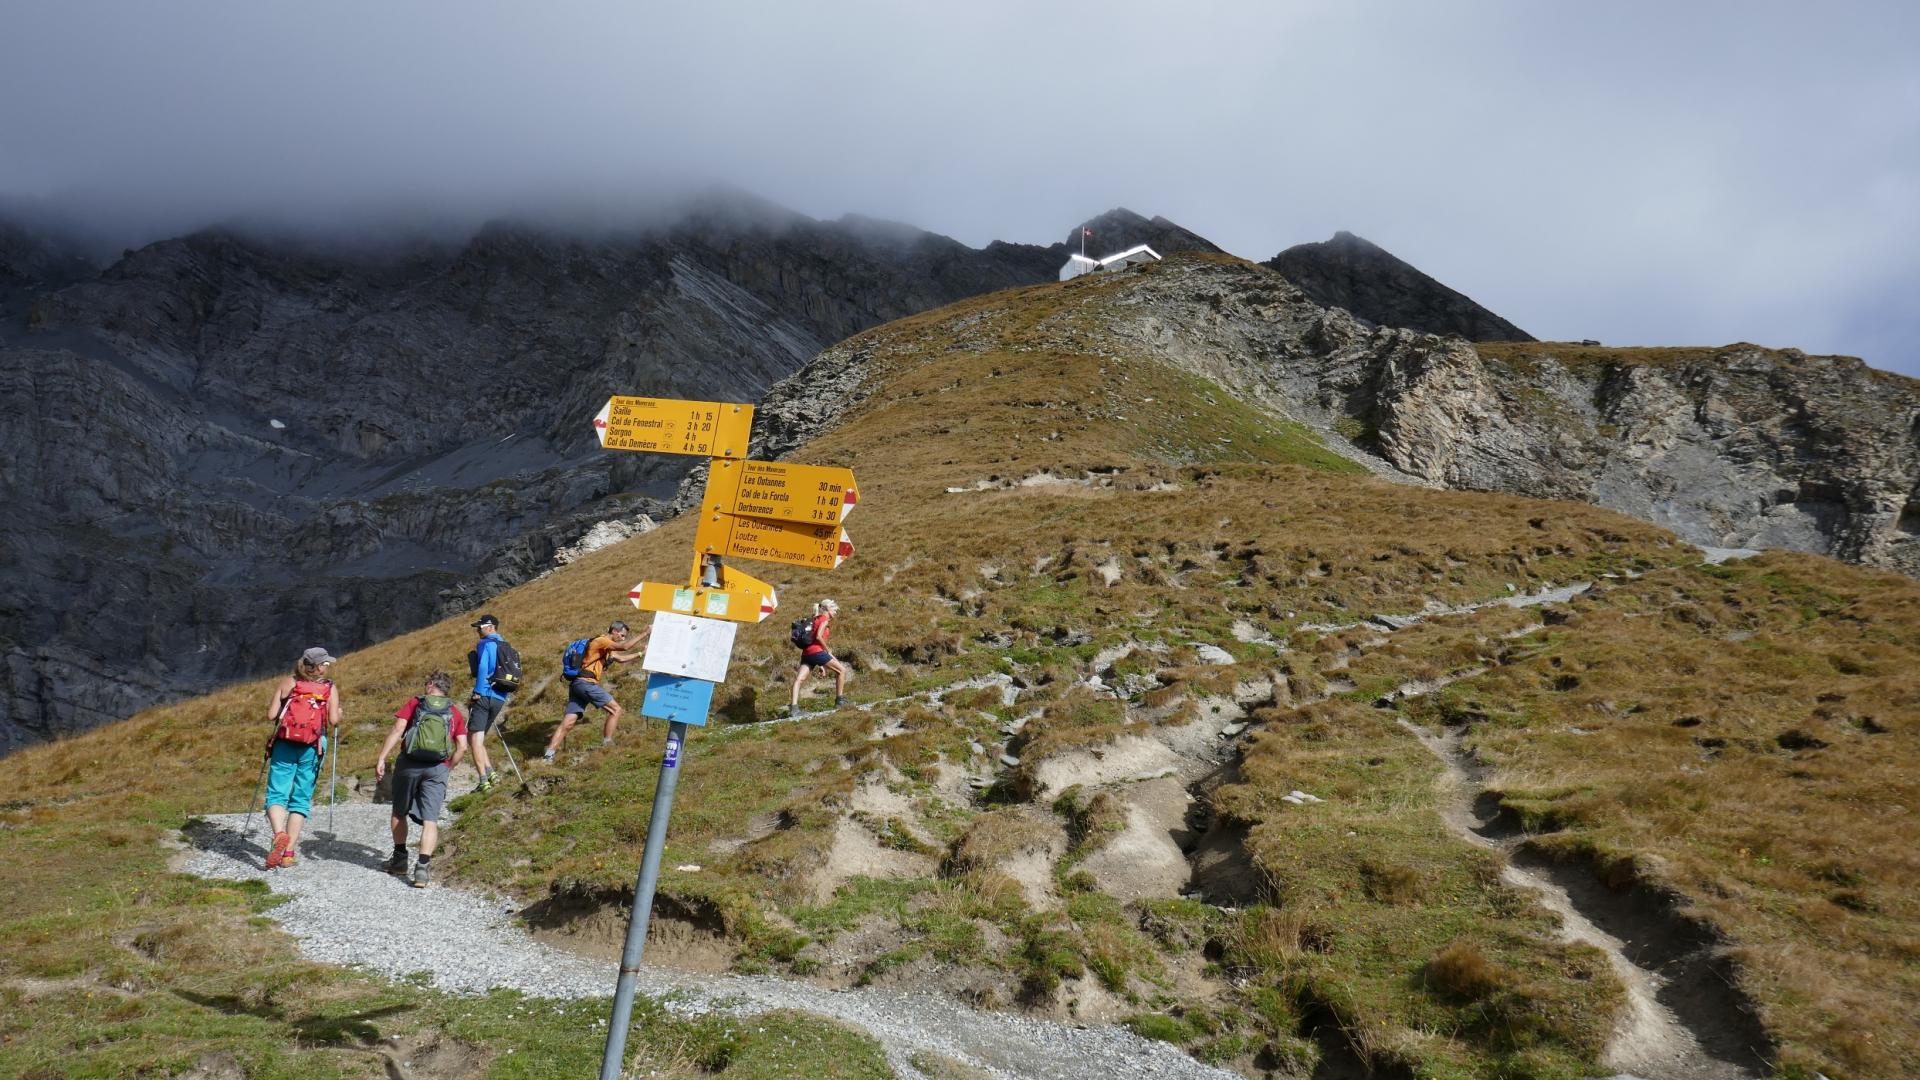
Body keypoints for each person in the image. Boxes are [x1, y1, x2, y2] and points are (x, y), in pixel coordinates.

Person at [374, 671, 468, 888]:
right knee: (430, 820)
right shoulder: (453, 711)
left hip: (409, 764)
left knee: (399, 811)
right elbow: (462, 746)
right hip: (437, 768)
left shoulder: (417, 703)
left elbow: (398, 728)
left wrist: (382, 757)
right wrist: (448, 767)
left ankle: (399, 859)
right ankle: (423, 869)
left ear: (430, 685)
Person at [262, 647, 342, 870]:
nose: (327, 666)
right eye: (325, 663)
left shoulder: (289, 683)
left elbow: (271, 715)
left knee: (277, 792)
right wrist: (339, 714)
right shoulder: (329, 688)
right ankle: (288, 853)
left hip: (284, 744)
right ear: (316, 666)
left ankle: (279, 834)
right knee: (300, 798)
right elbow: (334, 720)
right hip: (313, 746)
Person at [544, 620, 648, 762]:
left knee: (568, 722)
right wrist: (646, 633)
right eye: (622, 635)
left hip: (577, 685)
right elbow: (624, 647)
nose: (623, 638)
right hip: (586, 684)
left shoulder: (605, 648)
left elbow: (621, 659)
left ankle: (548, 755)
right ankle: (607, 744)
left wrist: (641, 654)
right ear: (615, 631)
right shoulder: (602, 641)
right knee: (616, 710)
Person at [788, 599, 851, 717]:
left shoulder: (815, 619)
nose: (836, 611)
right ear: (827, 609)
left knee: (799, 679)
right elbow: (818, 637)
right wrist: (828, 649)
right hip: (817, 652)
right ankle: (840, 701)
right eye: (834, 609)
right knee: (842, 671)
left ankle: (794, 709)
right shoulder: (824, 619)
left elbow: (813, 640)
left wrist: (821, 664)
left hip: (807, 653)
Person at [467, 613, 507, 791]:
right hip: (500, 697)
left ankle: (483, 781)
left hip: (485, 695)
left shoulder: (486, 644)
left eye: (480, 627)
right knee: (478, 736)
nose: (477, 631)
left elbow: (483, 667)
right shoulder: (504, 645)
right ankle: (491, 772)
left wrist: (477, 692)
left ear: (491, 627)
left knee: (474, 738)